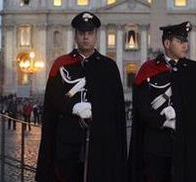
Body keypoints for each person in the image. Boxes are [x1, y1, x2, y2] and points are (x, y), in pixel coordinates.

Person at [128, 21, 196, 182]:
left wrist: (180, 115)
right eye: (180, 41)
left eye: (186, 41)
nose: (185, 45)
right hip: (156, 144)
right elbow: (142, 106)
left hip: (189, 144)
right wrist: (163, 121)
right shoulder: (149, 69)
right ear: (167, 43)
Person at [36, 11, 127, 182]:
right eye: (82, 33)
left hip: (100, 142)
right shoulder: (61, 64)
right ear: (76, 36)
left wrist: (97, 110)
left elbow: (115, 107)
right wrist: (73, 107)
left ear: (96, 36)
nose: (86, 37)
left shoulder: (109, 67)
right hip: (68, 142)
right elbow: (53, 100)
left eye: (90, 33)